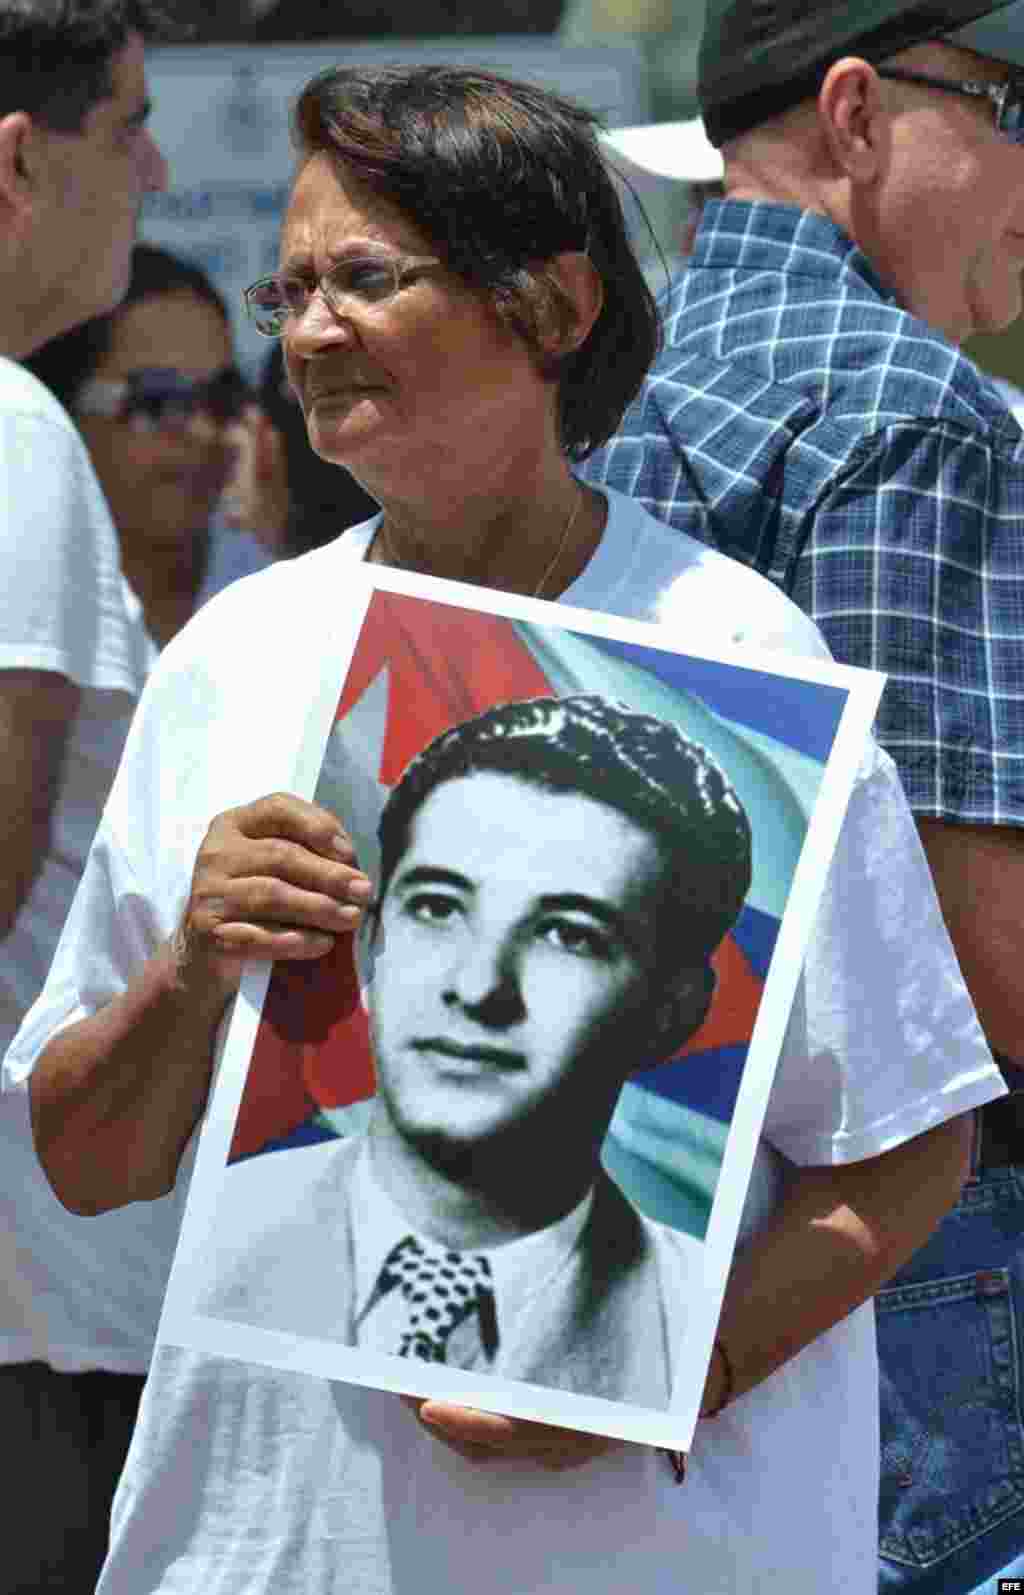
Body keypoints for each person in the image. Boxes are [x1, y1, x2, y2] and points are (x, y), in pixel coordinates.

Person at [4, 63, 1002, 1595]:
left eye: (364, 278)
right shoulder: (235, 651)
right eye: (295, 289)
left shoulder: (737, 658)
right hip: (265, 1552)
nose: (312, 328)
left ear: (548, 307)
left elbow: (914, 1139)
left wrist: (670, 1363)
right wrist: (195, 967)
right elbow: (87, 1156)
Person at [577, 2, 1024, 1590]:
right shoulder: (915, 411)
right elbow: (980, 965)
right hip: (911, 1272)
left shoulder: (611, 384)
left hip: (654, 1229)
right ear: (853, 115)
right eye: (1015, 104)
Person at [203, 694, 750, 1407]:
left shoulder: (692, 1326)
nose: (478, 985)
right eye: (436, 906)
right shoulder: (222, 1235)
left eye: (569, 933)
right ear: (373, 945)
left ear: (672, 1014)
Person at [0, 5, 174, 1591]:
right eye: (126, 127)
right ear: (17, 159)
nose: (158, 168)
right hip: (38, 1318)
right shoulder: (11, 429)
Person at [27, 243, 271, 648]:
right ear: (63, 411)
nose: (203, 430)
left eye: (221, 396)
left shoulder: (292, 604)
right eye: (158, 400)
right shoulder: (19, 610)